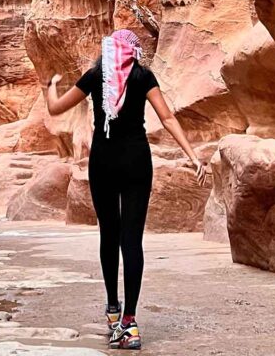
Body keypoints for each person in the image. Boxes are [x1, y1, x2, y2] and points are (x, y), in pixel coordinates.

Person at [44, 28, 206, 350]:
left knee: (109, 235)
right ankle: (129, 323)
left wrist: (50, 87)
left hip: (103, 162)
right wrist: (193, 155)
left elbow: (55, 108)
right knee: (132, 241)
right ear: (133, 51)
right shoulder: (143, 76)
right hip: (136, 161)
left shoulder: (96, 76)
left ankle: (112, 309)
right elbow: (168, 117)